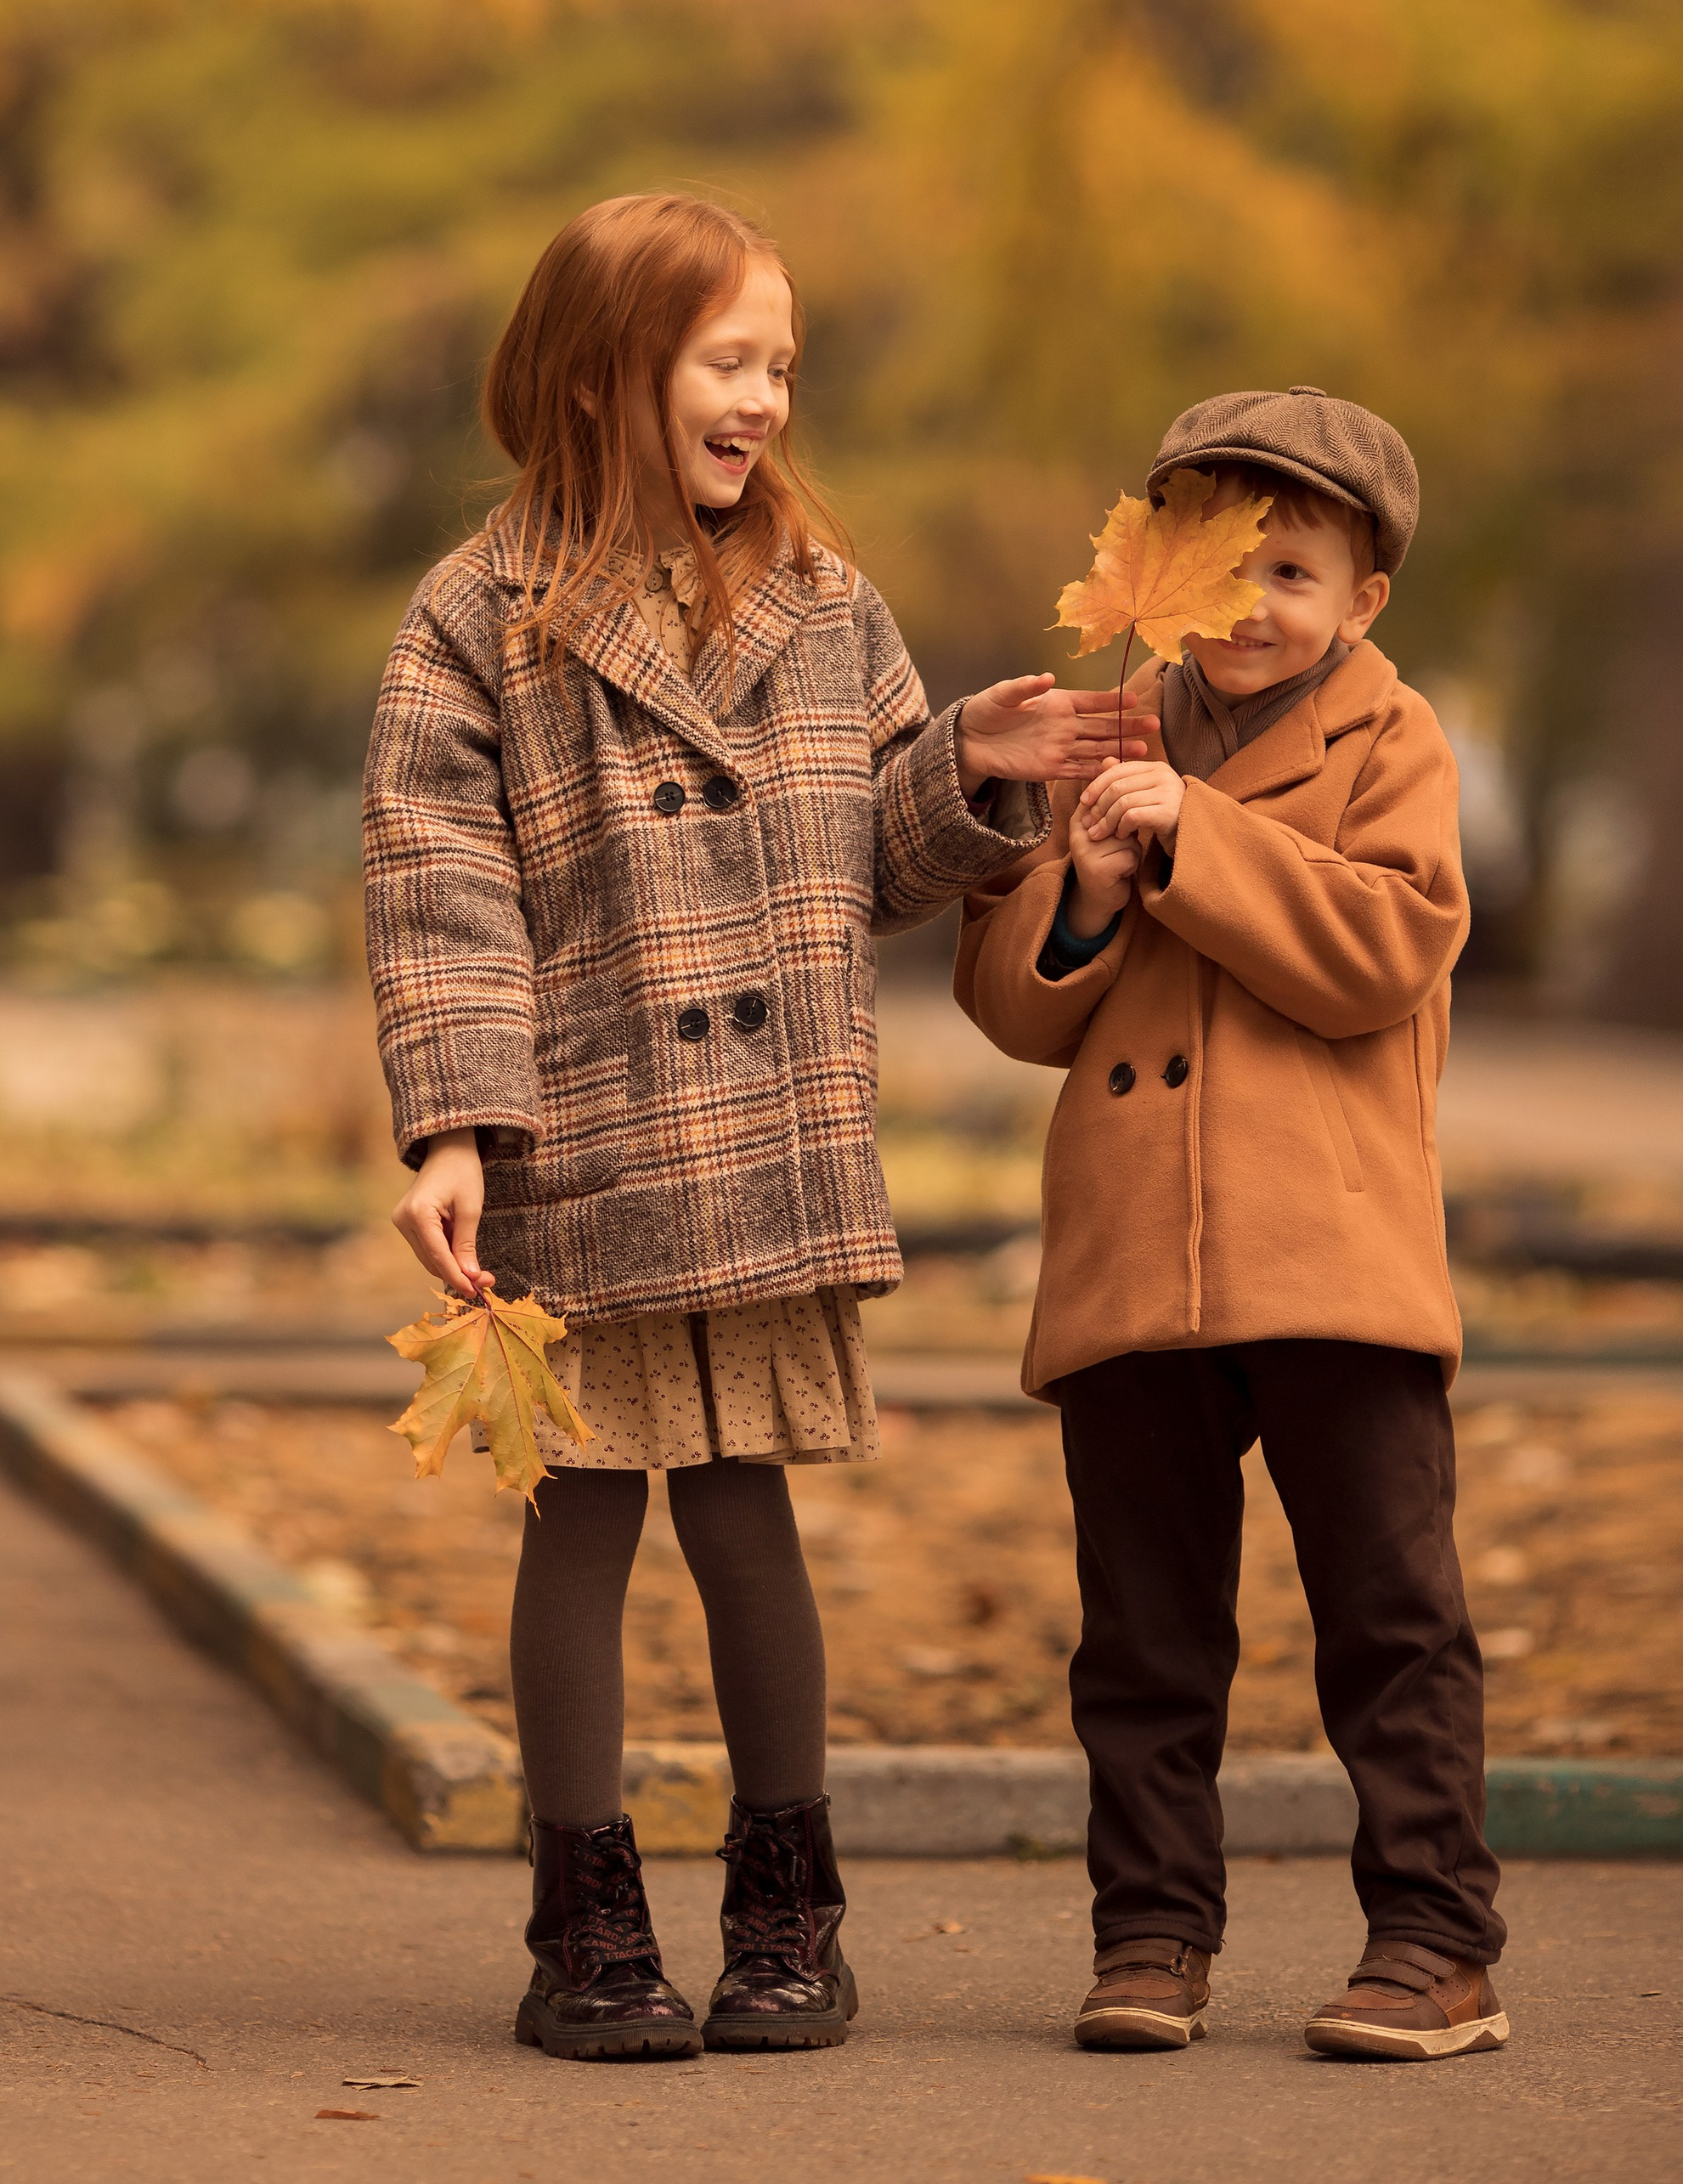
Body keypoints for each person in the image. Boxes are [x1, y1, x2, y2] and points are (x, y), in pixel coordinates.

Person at [363, 191, 1144, 2063]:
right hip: (587, 1138)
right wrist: (456, 1128)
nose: (765, 398)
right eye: (729, 359)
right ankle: (585, 1913)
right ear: (598, 369)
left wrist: (960, 771)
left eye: (781, 363)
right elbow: (434, 878)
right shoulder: (475, 617)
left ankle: (790, 1904)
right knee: (579, 1516)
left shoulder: (822, 599)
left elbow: (871, 853)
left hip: (770, 1134)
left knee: (743, 1512)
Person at [956, 386, 1509, 2063]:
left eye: (1292, 571)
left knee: (1388, 1614)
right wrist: (1088, 896)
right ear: (1152, 567)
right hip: (1133, 1261)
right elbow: (1014, 1008)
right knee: (1140, 1632)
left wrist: (1195, 839)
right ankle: (1148, 1932)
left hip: (1327, 1256)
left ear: (1362, 600)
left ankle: (1432, 1937)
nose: (1252, 604)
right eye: (1219, 564)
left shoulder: (1388, 742)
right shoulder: (1109, 735)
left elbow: (1379, 950)